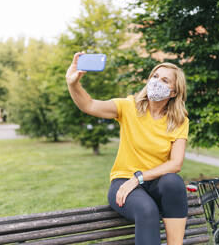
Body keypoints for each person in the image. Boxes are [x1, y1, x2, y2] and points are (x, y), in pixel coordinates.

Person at [65, 52, 189, 245]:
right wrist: (73, 84)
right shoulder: (128, 106)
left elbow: (176, 163)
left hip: (153, 182)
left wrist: (138, 178)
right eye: (154, 77)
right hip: (122, 183)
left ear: (173, 92)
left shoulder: (179, 121)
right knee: (147, 210)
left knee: (173, 182)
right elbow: (89, 105)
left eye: (165, 80)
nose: (156, 82)